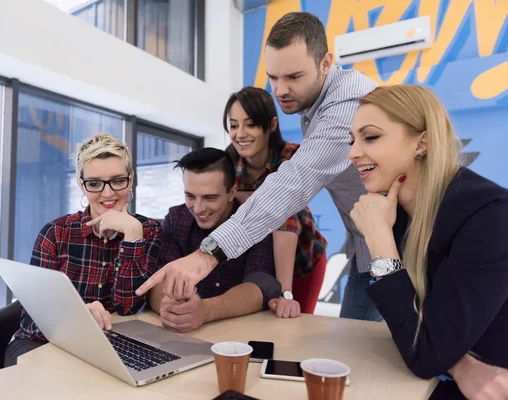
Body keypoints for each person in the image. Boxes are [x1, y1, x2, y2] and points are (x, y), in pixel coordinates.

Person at [137, 12, 381, 322]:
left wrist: (208, 254)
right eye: (273, 77)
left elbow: (291, 190)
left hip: (396, 249)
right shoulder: (307, 109)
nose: (280, 90)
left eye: (293, 77)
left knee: (395, 353)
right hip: (369, 248)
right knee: (362, 346)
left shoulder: (344, 106)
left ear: (325, 63)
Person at [348, 84, 508, 399]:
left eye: (370, 137)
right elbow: (418, 332)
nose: (353, 152)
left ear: (421, 142)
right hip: (442, 380)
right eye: (351, 139)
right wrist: (459, 363)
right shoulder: (397, 213)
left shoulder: (488, 215)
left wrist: (379, 241)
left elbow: (425, 354)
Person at [4, 133, 162, 366]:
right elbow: (32, 319)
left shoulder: (148, 230)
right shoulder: (56, 233)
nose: (108, 193)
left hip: (111, 344)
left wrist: (132, 237)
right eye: (95, 183)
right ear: (81, 184)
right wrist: (76, 319)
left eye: (118, 180)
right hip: (43, 344)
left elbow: (129, 308)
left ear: (131, 179)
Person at [148, 148, 280, 332]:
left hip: (242, 333)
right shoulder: (176, 218)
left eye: (210, 197)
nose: (198, 208)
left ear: (232, 192)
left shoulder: (254, 221)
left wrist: (206, 311)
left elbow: (260, 285)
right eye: (190, 196)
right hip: (186, 335)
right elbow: (160, 278)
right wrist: (169, 308)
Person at [224, 86, 327, 317]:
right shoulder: (227, 163)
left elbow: (283, 219)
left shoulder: (292, 157)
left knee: (292, 324)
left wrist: (285, 293)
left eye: (250, 124)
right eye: (233, 125)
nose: (240, 133)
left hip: (302, 259)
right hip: (258, 264)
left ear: (271, 125)